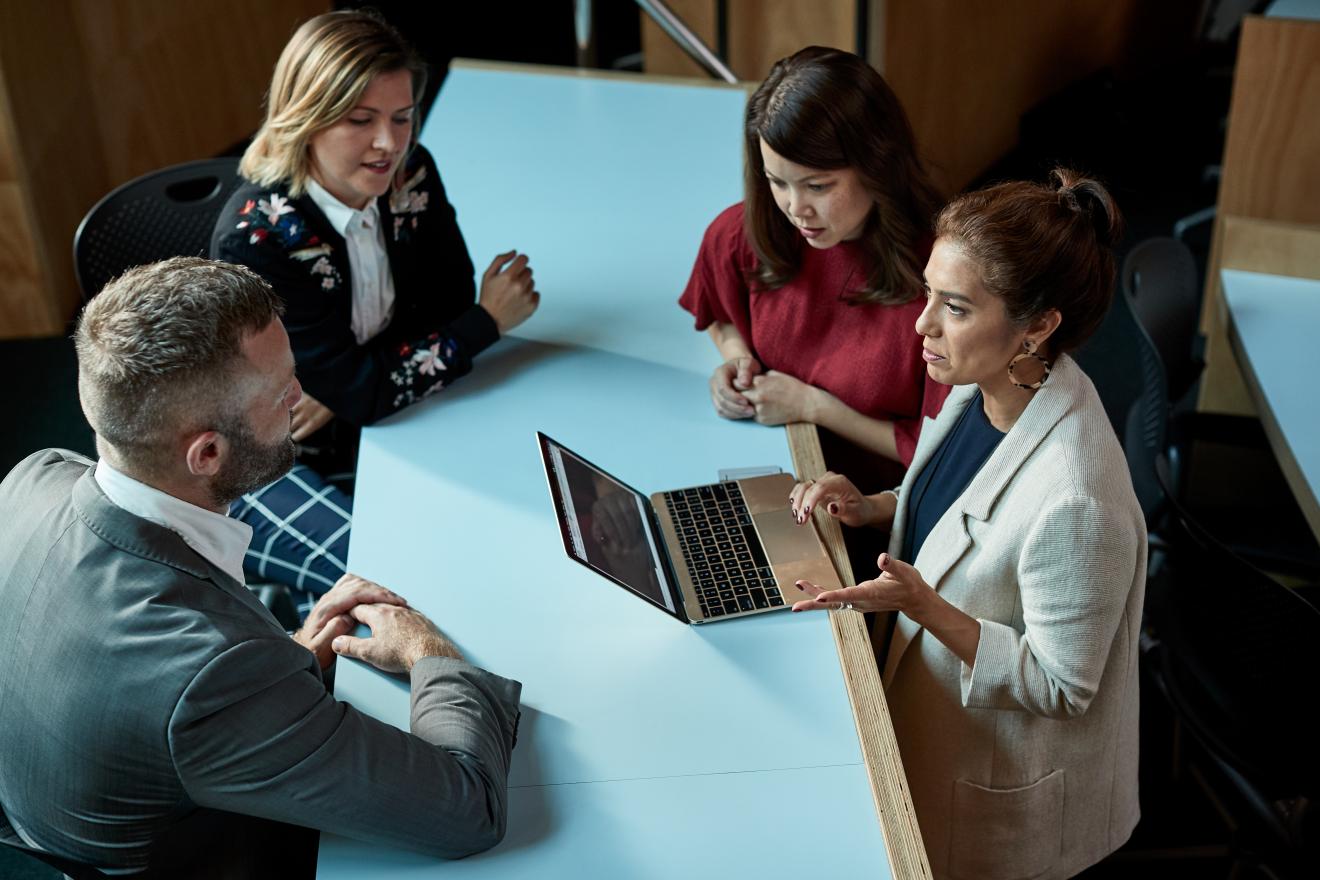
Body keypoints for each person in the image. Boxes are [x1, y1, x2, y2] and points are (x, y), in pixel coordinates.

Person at [0, 258, 522, 875]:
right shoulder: (216, 676)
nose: (301, 398)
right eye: (283, 392)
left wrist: (288, 655)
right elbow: (470, 812)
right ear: (209, 452)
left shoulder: (34, 477)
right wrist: (433, 653)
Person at [788, 171, 1145, 880]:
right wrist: (876, 504)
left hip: (999, 787)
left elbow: (1062, 686)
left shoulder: (1078, 500)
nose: (922, 325)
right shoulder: (990, 385)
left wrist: (927, 607)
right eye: (929, 294)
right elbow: (966, 504)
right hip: (928, 714)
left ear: (1038, 325)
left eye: (954, 307)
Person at [211, 10, 539, 612]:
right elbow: (377, 380)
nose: (389, 143)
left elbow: (442, 304)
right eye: (360, 120)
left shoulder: (412, 173)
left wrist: (348, 380)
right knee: (392, 589)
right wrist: (485, 324)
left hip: (374, 426)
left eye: (402, 117)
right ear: (305, 119)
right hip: (265, 454)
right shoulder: (257, 238)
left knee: (507, 537)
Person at [679, 45, 949, 488]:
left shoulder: (944, 280)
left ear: (876, 166)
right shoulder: (742, 233)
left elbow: (942, 452)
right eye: (777, 181)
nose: (795, 208)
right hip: (780, 473)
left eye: (817, 185)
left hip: (880, 505)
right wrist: (738, 360)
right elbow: (720, 312)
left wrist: (813, 407)